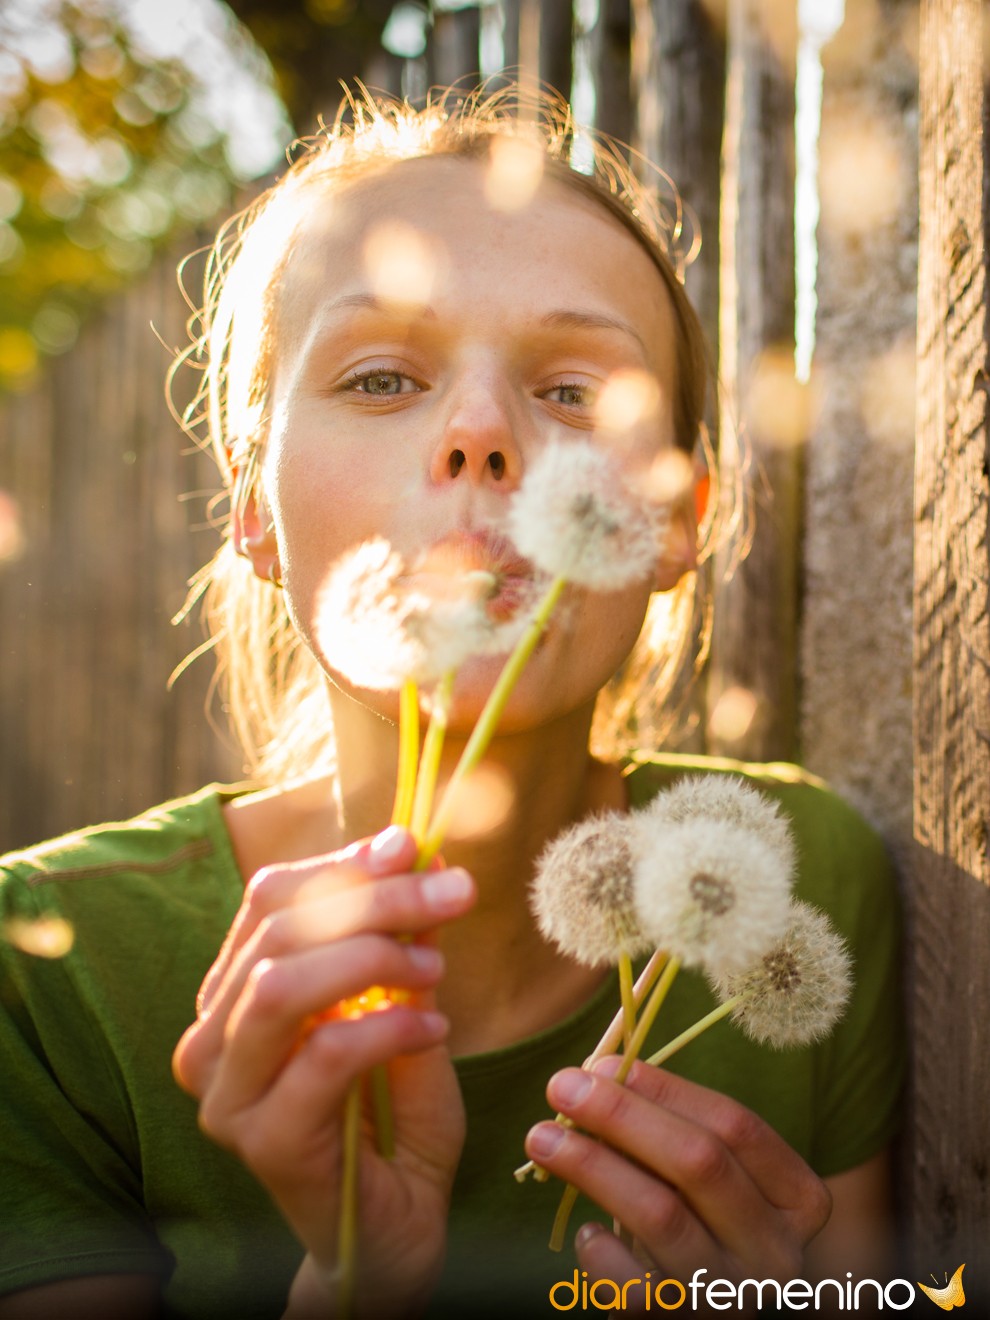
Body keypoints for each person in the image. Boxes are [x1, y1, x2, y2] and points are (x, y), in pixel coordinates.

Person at [0, 85, 902, 1319]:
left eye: (575, 393)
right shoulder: (42, 976)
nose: (481, 434)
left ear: (676, 525)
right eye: (380, 379)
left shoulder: (809, 881)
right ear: (252, 511)